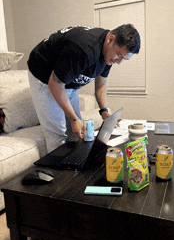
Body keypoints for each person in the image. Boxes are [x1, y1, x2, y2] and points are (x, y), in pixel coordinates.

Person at [27, 24, 140, 153]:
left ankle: (75, 165)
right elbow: (55, 84)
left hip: (66, 80)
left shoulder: (109, 53)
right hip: (45, 77)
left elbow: (101, 84)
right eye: (119, 55)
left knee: (77, 131)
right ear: (110, 39)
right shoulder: (83, 49)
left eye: (123, 59)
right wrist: (74, 118)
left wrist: (104, 110)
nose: (119, 61)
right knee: (57, 134)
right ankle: (56, 172)